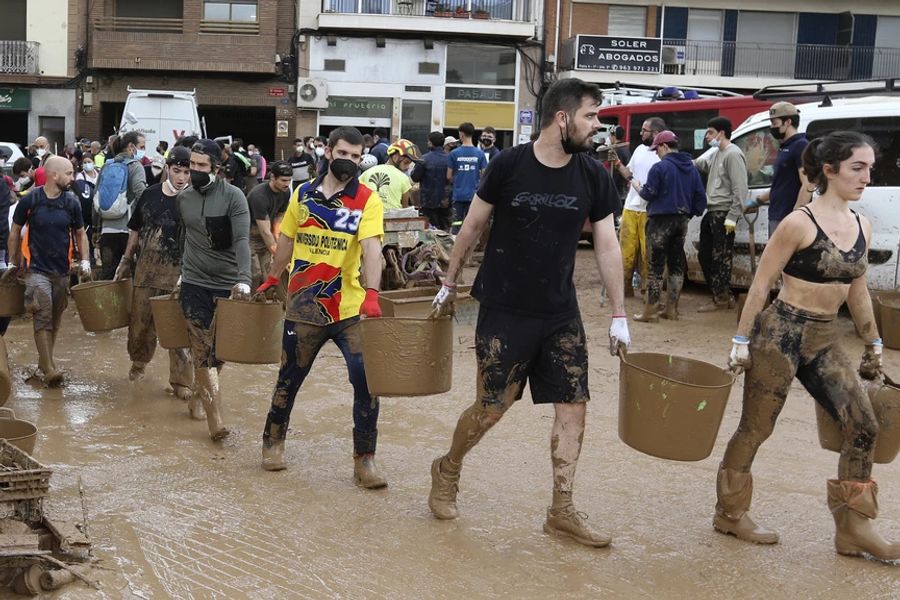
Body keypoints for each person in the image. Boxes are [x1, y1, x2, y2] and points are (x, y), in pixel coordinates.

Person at [428, 78, 629, 547]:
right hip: (504, 307)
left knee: (574, 405)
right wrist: (448, 281)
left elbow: (606, 242)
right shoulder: (509, 164)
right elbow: (473, 225)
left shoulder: (593, 174)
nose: (596, 126)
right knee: (492, 407)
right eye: (591, 116)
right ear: (562, 119)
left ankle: (561, 508)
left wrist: (619, 312)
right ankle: (448, 467)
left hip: (560, 311)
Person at [721, 131, 898, 561]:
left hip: (823, 338)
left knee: (864, 425)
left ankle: (854, 528)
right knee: (757, 427)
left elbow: (856, 291)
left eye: (870, 168)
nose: (867, 177)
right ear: (830, 170)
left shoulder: (862, 224)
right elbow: (761, 284)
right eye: (858, 167)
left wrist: (873, 342)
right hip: (779, 333)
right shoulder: (799, 223)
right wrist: (741, 341)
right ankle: (730, 513)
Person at [257, 126, 386, 487]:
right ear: (328, 152)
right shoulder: (303, 194)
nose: (350, 162)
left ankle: (365, 460)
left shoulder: (367, 200)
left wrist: (372, 293)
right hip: (303, 306)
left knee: (367, 382)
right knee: (289, 377)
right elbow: (287, 239)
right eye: (343, 154)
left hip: (349, 309)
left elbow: (373, 249)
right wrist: (272, 275)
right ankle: (273, 443)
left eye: (357, 158)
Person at [178, 139, 251, 441]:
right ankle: (216, 420)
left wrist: (245, 279)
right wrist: (180, 275)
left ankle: (200, 394)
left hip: (227, 284)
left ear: (217, 169)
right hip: (194, 283)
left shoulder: (234, 198)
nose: (193, 171)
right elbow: (186, 237)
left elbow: (242, 241)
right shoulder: (184, 199)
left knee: (220, 353)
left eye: (200, 166)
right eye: (191, 165)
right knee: (202, 350)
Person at [115, 145, 194, 398]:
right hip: (146, 271)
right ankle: (138, 366)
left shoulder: (194, 200)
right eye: (177, 171)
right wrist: (126, 261)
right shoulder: (149, 195)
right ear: (167, 169)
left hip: (179, 274)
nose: (182, 177)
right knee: (140, 326)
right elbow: (135, 231)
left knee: (178, 329)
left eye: (187, 172)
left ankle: (181, 382)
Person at [3, 157, 90, 385]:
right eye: (69, 173)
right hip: (35, 269)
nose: (73, 178)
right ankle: (50, 369)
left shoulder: (71, 202)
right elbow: (14, 233)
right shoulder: (31, 199)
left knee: (55, 317)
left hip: (61, 270)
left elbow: (81, 234)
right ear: (54, 175)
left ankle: (44, 363)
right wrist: (12, 263)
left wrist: (86, 261)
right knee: (42, 314)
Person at [632, 131, 706, 322]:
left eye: (657, 149)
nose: (656, 153)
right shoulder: (691, 168)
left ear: (664, 146)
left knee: (655, 267)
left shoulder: (660, 168)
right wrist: (688, 214)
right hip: (681, 222)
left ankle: (651, 311)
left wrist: (638, 187)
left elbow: (649, 194)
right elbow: (700, 200)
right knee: (675, 266)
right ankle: (672, 310)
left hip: (660, 222)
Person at [694, 117, 748, 312]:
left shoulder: (733, 154)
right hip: (712, 211)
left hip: (724, 213)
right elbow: (702, 165)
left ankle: (721, 298)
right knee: (705, 256)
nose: (707, 137)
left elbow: (740, 190)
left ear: (721, 133)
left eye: (710, 132)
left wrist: (732, 217)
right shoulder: (718, 154)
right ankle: (720, 294)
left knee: (721, 258)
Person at [613, 117, 664, 297]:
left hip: (650, 211)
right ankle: (625, 287)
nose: (640, 133)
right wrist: (618, 164)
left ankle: (646, 290)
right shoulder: (639, 150)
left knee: (647, 255)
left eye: (644, 130)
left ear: (656, 133)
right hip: (631, 208)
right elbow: (629, 174)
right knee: (626, 252)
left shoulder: (662, 155)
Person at [95, 132, 147, 280]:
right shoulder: (136, 166)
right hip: (129, 232)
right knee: (129, 276)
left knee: (107, 276)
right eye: (142, 147)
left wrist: (96, 228)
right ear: (131, 147)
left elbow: (96, 197)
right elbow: (141, 194)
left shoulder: (106, 166)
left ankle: (107, 303)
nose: (143, 151)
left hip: (107, 230)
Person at [756, 102, 812, 236]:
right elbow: (782, 183)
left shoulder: (800, 146)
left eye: (775, 123)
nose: (772, 127)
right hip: (777, 214)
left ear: (787, 122)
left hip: (787, 216)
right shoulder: (785, 147)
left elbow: (808, 183)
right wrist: (757, 201)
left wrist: (797, 214)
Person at [246, 160, 291, 291]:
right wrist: (279, 254)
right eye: (283, 180)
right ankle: (248, 304)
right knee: (255, 274)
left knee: (268, 275)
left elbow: (278, 218)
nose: (287, 184)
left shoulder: (286, 192)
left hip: (267, 233)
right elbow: (264, 231)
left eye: (289, 180)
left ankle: (264, 303)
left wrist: (277, 239)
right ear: (272, 177)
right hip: (249, 235)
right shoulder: (259, 196)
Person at [447, 122, 487, 234]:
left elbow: (449, 176)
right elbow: (485, 176)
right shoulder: (480, 154)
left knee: (456, 224)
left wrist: (458, 181)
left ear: (461, 135)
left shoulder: (454, 154)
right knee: (472, 225)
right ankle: (469, 248)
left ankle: (455, 248)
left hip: (458, 196)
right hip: (474, 197)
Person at [359, 139, 421, 210]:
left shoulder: (367, 173)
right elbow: (405, 208)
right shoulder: (403, 178)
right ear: (395, 156)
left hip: (369, 215)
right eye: (406, 162)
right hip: (392, 219)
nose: (407, 167)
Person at [411, 131, 451, 230]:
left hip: (428, 200)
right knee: (446, 229)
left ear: (430, 142)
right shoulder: (450, 158)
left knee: (431, 230)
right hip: (447, 200)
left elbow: (414, 177)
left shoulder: (424, 159)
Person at [73, 153, 99, 267]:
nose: (87, 164)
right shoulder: (80, 177)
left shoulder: (99, 174)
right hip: (86, 212)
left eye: (89, 162)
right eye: (85, 162)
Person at [606, 126, 631, 203]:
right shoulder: (625, 149)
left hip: (618, 190)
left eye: (610, 135)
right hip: (624, 190)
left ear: (613, 136)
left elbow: (615, 173)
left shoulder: (616, 151)